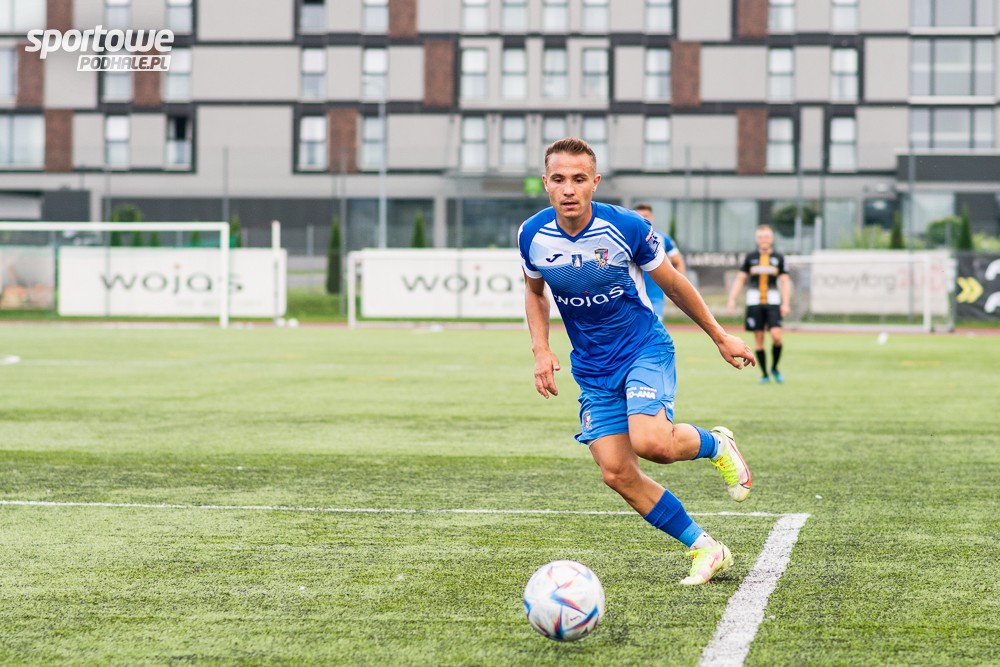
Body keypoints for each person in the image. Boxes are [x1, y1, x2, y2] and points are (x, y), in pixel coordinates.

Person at [519, 138, 756, 586]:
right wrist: (541, 349)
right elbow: (534, 293)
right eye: (558, 179)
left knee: (653, 443)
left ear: (595, 182)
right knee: (616, 471)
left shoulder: (626, 227)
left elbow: (674, 284)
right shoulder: (532, 234)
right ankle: (705, 547)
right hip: (593, 368)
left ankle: (716, 444)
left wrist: (720, 336)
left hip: (642, 348)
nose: (568, 189)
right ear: (544, 183)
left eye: (579, 179)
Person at [726, 224, 791, 384]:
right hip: (754, 303)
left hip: (773, 302)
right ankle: (764, 374)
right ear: (757, 239)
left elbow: (784, 281)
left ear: (772, 239)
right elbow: (740, 279)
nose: (764, 240)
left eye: (766, 237)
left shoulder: (779, 258)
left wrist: (786, 303)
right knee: (759, 340)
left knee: (776, 337)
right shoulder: (750, 258)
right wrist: (732, 299)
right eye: (761, 237)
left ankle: (774, 367)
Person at [634, 203, 686, 322]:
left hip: (655, 297)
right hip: (632, 295)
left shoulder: (662, 238)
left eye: (645, 216)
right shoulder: (626, 239)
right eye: (639, 216)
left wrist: (679, 291)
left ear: (651, 218)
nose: (642, 219)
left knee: (655, 326)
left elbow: (678, 262)